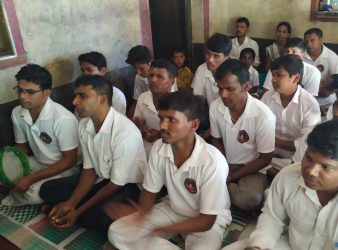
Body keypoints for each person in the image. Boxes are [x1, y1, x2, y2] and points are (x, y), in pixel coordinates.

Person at [223, 119, 338, 250]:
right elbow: (273, 218)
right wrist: (259, 246)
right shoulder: (288, 176)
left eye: (326, 167)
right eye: (308, 158)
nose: (310, 171)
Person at [107, 91, 231, 250]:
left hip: (207, 219)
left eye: (171, 120)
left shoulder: (213, 161)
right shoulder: (159, 147)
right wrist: (141, 213)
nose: (162, 126)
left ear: (193, 124)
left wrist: (159, 229)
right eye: (161, 118)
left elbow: (206, 221)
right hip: (172, 209)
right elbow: (149, 192)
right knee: (117, 230)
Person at [39, 75, 147, 232]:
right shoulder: (85, 125)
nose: (75, 102)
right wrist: (72, 202)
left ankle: (80, 210)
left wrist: (77, 211)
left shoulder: (125, 133)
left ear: (102, 100)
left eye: (82, 96)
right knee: (47, 189)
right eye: (76, 95)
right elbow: (89, 170)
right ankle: (71, 206)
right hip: (102, 177)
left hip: (128, 185)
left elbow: (115, 185)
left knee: (92, 218)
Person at [2, 64, 79, 206]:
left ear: (46, 93)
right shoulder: (17, 112)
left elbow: (69, 161)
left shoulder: (62, 119)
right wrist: (11, 167)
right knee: (5, 172)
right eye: (20, 90)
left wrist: (30, 178)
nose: (22, 96)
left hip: (65, 169)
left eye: (30, 92)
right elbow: (22, 148)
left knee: (32, 193)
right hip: (38, 162)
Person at [210, 59, 275, 211]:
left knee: (250, 198)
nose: (223, 94)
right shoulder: (215, 107)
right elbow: (216, 140)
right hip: (224, 162)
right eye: (219, 88)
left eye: (229, 89)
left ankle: (219, 192)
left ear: (246, 86)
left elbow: (265, 159)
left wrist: (232, 176)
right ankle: (223, 190)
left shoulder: (264, 116)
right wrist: (223, 168)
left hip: (251, 168)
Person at [261, 55, 320, 173]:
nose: (273, 79)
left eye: (279, 75)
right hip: (266, 155)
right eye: (273, 74)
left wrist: (271, 140)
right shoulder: (267, 98)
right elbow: (258, 130)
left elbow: (304, 144)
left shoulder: (309, 105)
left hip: (295, 160)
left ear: (296, 78)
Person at [133, 59, 176, 157]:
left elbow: (183, 135)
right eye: (151, 75)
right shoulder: (143, 98)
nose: (153, 80)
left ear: (172, 81)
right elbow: (137, 123)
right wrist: (142, 130)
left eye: (159, 76)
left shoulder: (179, 103)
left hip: (170, 154)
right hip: (146, 152)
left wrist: (159, 135)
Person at [76, 51, 126, 117]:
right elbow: (79, 120)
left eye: (89, 70)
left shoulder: (116, 96)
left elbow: (118, 122)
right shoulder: (81, 93)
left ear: (102, 71)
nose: (85, 74)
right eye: (83, 70)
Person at [192, 33, 232, 105]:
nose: (210, 60)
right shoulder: (201, 69)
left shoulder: (233, 73)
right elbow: (198, 99)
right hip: (211, 113)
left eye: (216, 56)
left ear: (226, 58)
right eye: (208, 53)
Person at [125, 45, 152, 118]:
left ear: (149, 63)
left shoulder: (163, 77)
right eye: (134, 68)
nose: (138, 72)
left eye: (141, 68)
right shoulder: (138, 77)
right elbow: (136, 100)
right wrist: (128, 117)